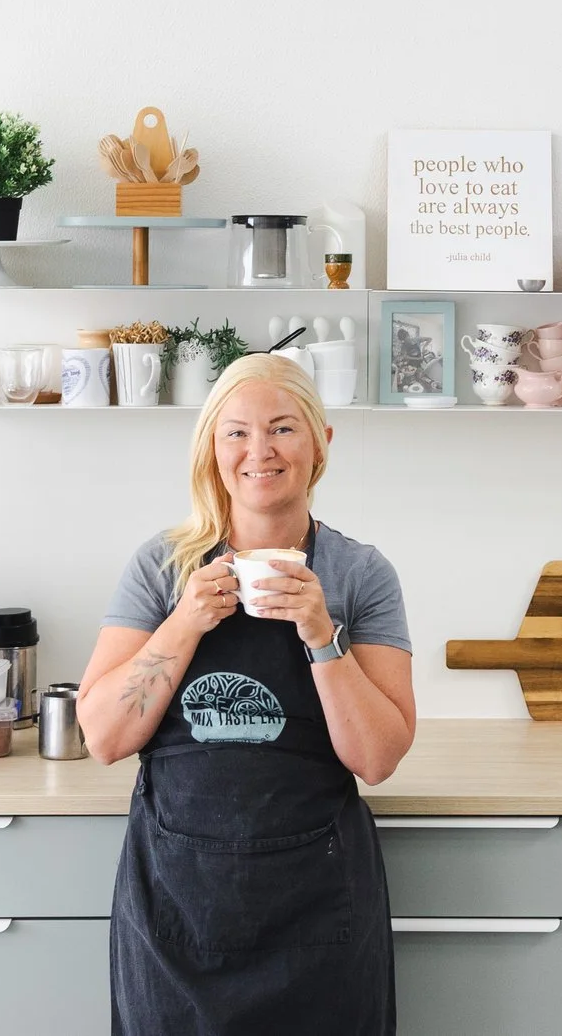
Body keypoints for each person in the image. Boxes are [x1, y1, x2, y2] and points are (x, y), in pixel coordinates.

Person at [81, 353, 416, 1036]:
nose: (258, 450)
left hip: (316, 914)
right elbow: (105, 737)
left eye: (283, 428)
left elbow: (377, 757)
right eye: (235, 431)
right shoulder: (161, 567)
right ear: (212, 446)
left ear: (322, 441)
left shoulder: (360, 574)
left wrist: (322, 632)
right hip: (178, 909)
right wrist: (185, 622)